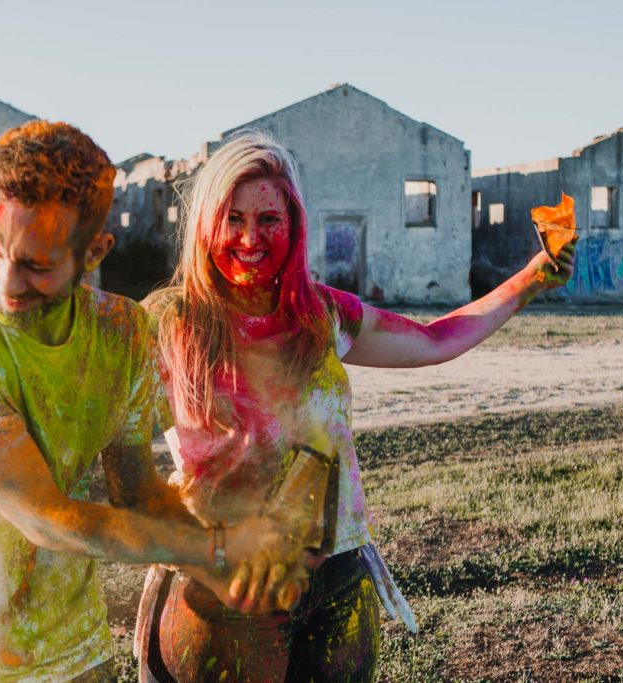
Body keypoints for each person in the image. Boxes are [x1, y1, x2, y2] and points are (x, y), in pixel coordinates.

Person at [137, 129, 576, 682]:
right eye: (234, 218)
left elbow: (437, 339)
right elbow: (102, 427)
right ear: (206, 223)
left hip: (337, 575)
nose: (251, 237)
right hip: (224, 583)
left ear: (293, 225)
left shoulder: (321, 314)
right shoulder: (168, 321)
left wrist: (534, 276)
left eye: (268, 219)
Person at [0, 121, 306, 683]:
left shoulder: (123, 333)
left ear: (96, 249)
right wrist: (217, 546)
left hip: (76, 653)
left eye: (37, 263)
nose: (7, 283)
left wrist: (226, 579)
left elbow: (140, 493)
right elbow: (48, 519)